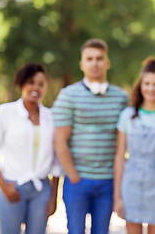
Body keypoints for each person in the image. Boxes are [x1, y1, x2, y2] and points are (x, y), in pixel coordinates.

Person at [52, 38, 128, 234]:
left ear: (107, 63)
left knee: (101, 231)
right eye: (90, 58)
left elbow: (124, 142)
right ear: (82, 64)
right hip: (78, 181)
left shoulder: (121, 98)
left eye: (99, 58)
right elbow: (60, 141)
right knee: (76, 231)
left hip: (108, 182)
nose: (95, 63)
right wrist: (74, 176)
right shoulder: (68, 95)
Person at [0, 63, 61, 234]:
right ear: (22, 83)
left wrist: (53, 196)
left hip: (42, 189)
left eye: (41, 84)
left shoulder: (52, 117)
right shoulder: (5, 113)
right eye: (31, 82)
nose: (36, 87)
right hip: (12, 185)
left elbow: (57, 158)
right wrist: (4, 184)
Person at [114, 58, 155, 234]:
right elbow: (120, 157)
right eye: (147, 84)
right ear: (140, 85)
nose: (151, 89)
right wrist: (117, 197)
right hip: (131, 184)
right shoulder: (127, 116)